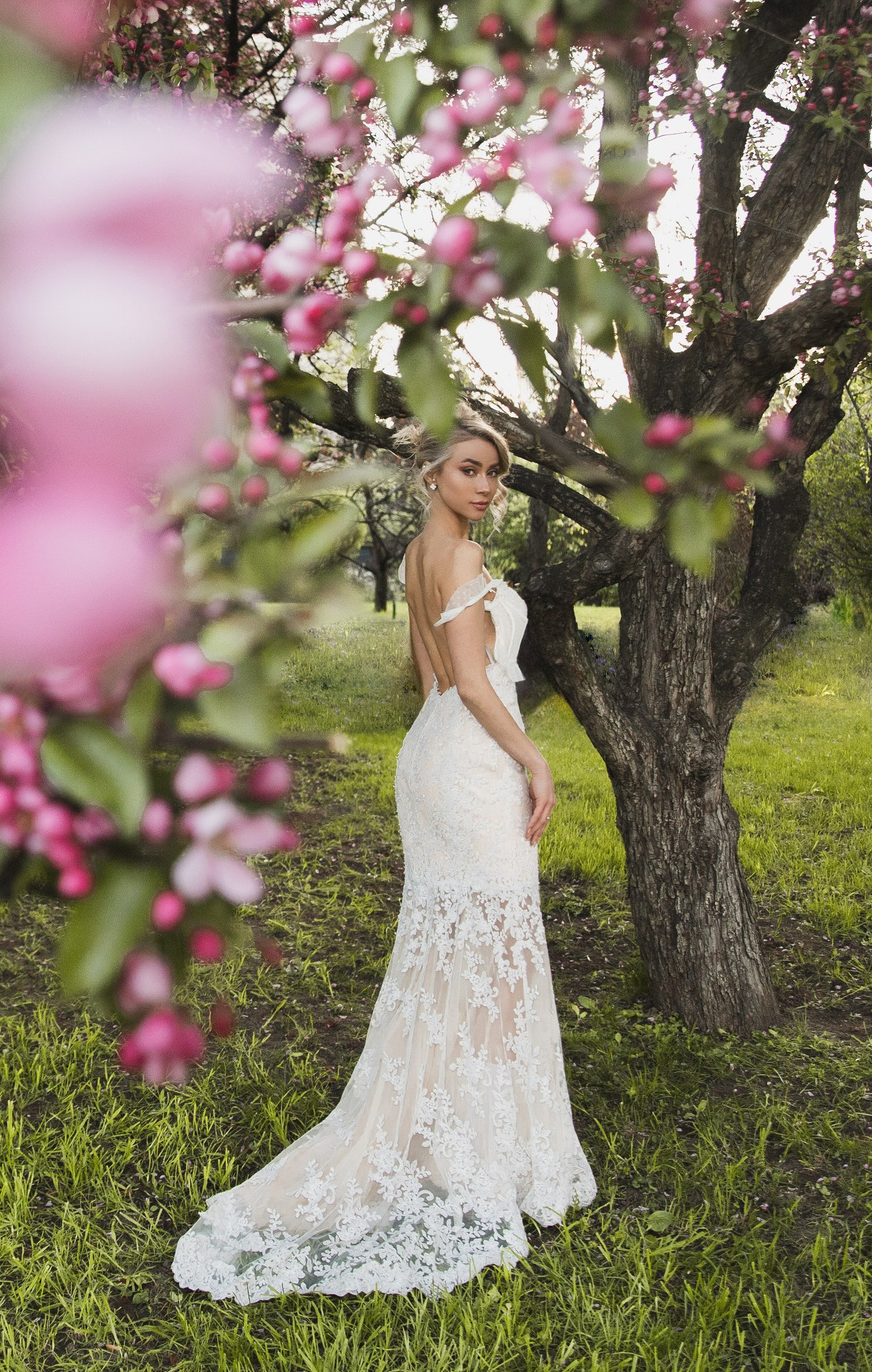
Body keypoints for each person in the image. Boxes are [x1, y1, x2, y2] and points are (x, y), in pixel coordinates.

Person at [172, 407, 597, 1301]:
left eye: (499, 474)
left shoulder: (413, 556)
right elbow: (473, 681)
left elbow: (432, 677)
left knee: (461, 950)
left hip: (433, 754)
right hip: (474, 760)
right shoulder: (464, 559)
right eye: (474, 469)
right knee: (495, 950)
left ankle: (465, 1138)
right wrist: (532, 755)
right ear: (434, 471)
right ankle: (489, 1153)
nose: (488, 485)